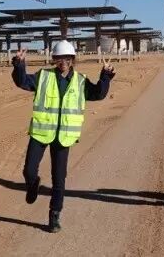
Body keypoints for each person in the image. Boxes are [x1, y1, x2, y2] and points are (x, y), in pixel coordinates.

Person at [11, 40, 115, 232]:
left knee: (59, 178)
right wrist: (19, 64)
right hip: (41, 132)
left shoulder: (80, 81)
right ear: (54, 59)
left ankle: (54, 215)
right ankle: (33, 185)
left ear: (72, 60)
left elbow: (98, 94)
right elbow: (22, 81)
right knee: (29, 170)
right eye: (59, 58)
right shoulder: (43, 76)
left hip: (64, 136)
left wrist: (106, 76)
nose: (63, 62)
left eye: (67, 58)